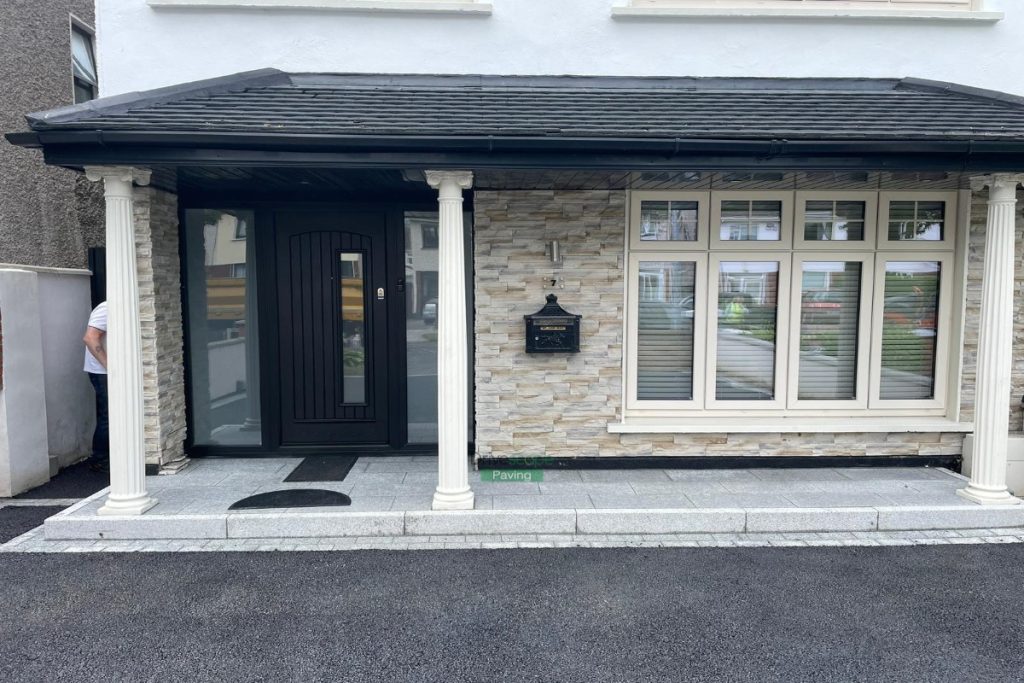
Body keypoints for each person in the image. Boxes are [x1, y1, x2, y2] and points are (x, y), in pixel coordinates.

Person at [83, 301, 109, 473]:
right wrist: (110, 367)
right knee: (108, 415)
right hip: (102, 372)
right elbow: (90, 337)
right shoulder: (107, 308)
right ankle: (100, 459)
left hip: (110, 371)